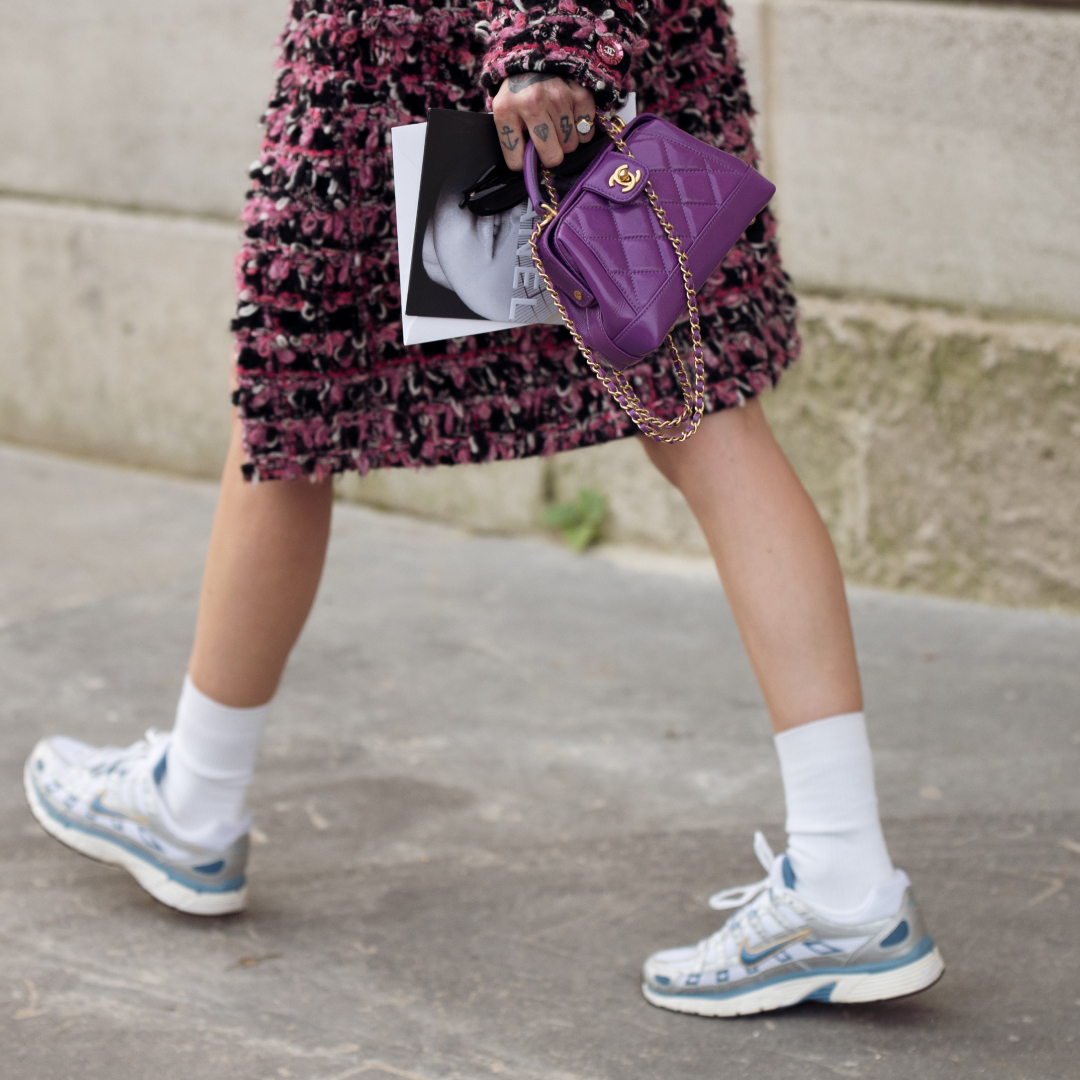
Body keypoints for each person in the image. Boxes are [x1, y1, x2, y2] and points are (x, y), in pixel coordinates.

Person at [23, 0, 943, 1017]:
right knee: (698, 410)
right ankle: (844, 871)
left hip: (473, 61)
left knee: (297, 391)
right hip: (562, 54)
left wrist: (550, 39)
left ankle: (193, 796)